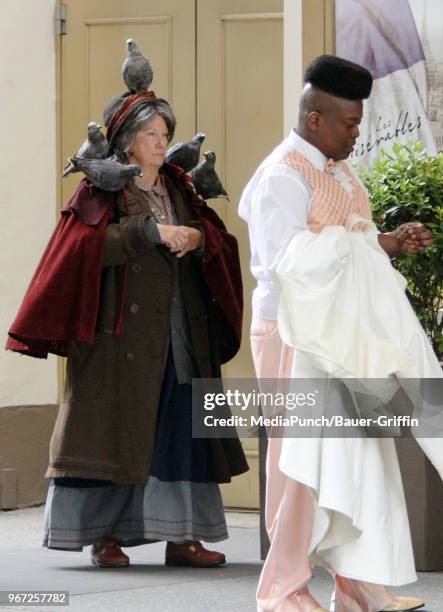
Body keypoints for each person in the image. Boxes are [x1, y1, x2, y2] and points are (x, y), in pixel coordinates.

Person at [7, 90, 248, 568]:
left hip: (181, 331)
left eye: (165, 135)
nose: (161, 144)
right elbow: (78, 251)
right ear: (126, 140)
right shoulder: (102, 190)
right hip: (119, 338)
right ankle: (105, 536)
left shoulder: (181, 188)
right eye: (149, 135)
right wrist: (148, 232)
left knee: (181, 428)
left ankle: (184, 535)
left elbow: (219, 239)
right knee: (114, 433)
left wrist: (199, 238)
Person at [239, 55, 437, 612]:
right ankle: (282, 591)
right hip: (292, 334)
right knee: (299, 463)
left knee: (357, 457)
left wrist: (388, 241)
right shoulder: (282, 176)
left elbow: (350, 243)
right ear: (315, 118)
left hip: (340, 333)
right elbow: (289, 265)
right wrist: (361, 244)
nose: (357, 132)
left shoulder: (338, 168)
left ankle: (358, 585)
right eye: (350, 123)